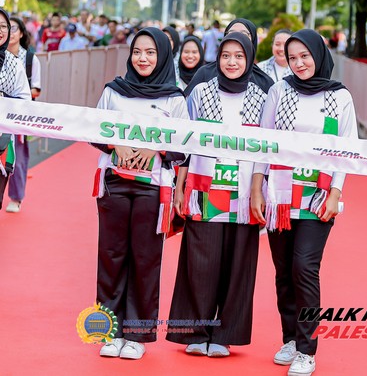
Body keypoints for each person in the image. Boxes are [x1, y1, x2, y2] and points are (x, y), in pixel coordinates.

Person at [251, 29, 358, 376]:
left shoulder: (339, 96)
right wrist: (257, 186)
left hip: (317, 196)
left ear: (318, 54)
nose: (298, 63)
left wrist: (336, 193)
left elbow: (347, 148)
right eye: (292, 57)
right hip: (280, 196)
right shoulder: (279, 91)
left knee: (304, 268)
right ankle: (291, 339)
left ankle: (307, 350)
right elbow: (264, 142)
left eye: (304, 56)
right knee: (284, 270)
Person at [167, 32, 267, 357]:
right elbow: (185, 141)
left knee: (238, 265)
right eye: (226, 56)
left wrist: (259, 189)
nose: (232, 62)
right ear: (218, 58)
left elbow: (268, 149)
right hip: (204, 189)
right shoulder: (200, 91)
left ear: (249, 59)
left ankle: (226, 334)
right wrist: (180, 185)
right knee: (200, 261)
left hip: (244, 192)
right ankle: (195, 331)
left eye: (239, 56)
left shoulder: (263, 97)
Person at [92, 27, 188, 360]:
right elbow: (93, 128)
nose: (142, 58)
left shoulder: (174, 98)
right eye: (137, 52)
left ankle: (137, 335)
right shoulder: (113, 91)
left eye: (150, 52)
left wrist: (156, 149)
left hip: (153, 188)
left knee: (145, 259)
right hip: (114, 183)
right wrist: (114, 144)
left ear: (162, 56)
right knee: (111, 255)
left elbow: (183, 144)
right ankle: (109, 331)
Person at [5, 16, 42, 213]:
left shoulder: (29, 59)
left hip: (19, 116)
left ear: (21, 33)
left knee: (18, 158)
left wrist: (15, 96)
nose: (9, 32)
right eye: (5, 28)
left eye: (13, 28)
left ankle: (16, 197)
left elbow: (36, 89)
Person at [184, 18, 274, 96]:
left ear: (253, 40)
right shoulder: (205, 74)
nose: (237, 37)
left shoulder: (264, 83)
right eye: (231, 33)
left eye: (244, 34)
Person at [0, 8, 31, 211]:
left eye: (3, 26)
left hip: (3, 142)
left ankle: (16, 197)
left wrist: (4, 100)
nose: (0, 31)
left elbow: (25, 100)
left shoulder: (15, 64)